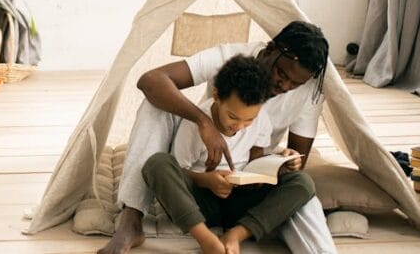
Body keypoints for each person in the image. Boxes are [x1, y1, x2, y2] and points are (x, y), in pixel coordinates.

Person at [100, 21, 334, 254]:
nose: (285, 85)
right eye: (281, 73)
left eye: (296, 83)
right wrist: (204, 123)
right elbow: (150, 80)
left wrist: (285, 162)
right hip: (202, 176)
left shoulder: (307, 91)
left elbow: (296, 166)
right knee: (155, 107)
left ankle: (242, 233)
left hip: (249, 180)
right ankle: (131, 219)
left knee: (303, 188)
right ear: (271, 49)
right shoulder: (229, 58)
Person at [143, 55, 316, 254]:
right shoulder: (195, 123)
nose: (240, 126)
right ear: (216, 96)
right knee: (157, 163)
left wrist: (280, 161)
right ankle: (206, 239)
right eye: (233, 117)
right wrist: (207, 181)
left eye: (249, 120)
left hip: (239, 201)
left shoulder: (262, 119)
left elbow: (256, 162)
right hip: (200, 204)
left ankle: (236, 234)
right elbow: (179, 171)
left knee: (303, 182)